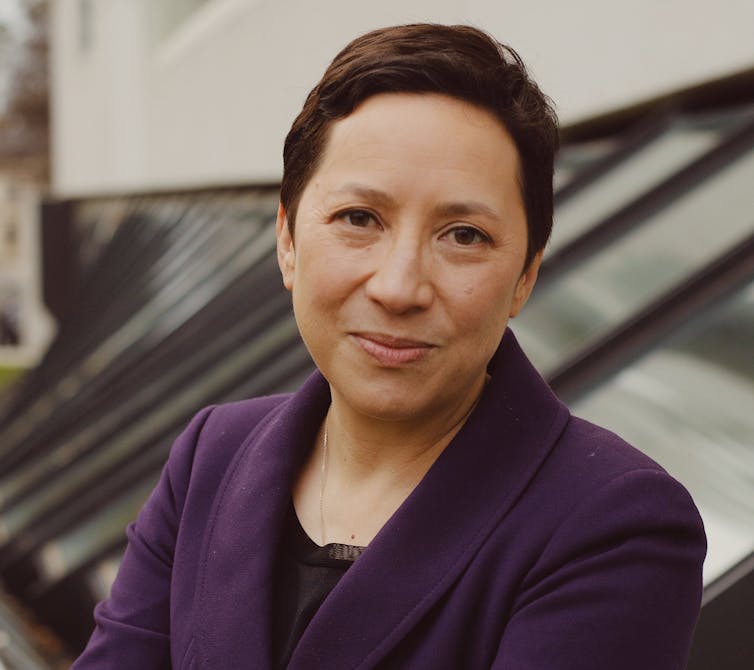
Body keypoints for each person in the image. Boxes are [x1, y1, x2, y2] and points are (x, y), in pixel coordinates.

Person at [72, 23, 705, 669]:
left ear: (525, 277)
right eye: (359, 219)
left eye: (464, 235)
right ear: (287, 241)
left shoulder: (611, 525)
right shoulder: (214, 455)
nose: (400, 287)